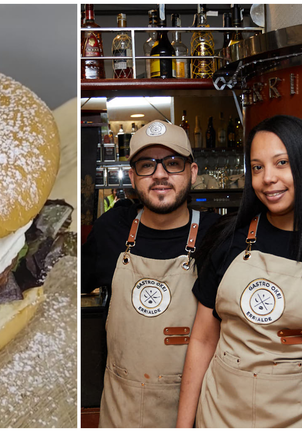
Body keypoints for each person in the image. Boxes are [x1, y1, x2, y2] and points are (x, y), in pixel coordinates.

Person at [177, 115, 302, 427]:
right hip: (222, 415)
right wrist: (183, 426)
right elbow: (203, 340)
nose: (267, 178)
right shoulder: (227, 240)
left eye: (281, 163)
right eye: (258, 167)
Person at [81, 120, 219, 428]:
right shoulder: (111, 231)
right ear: (133, 177)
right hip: (122, 411)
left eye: (172, 163)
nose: (159, 174)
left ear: (192, 172)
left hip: (195, 411)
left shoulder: (217, 237)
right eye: (146, 165)